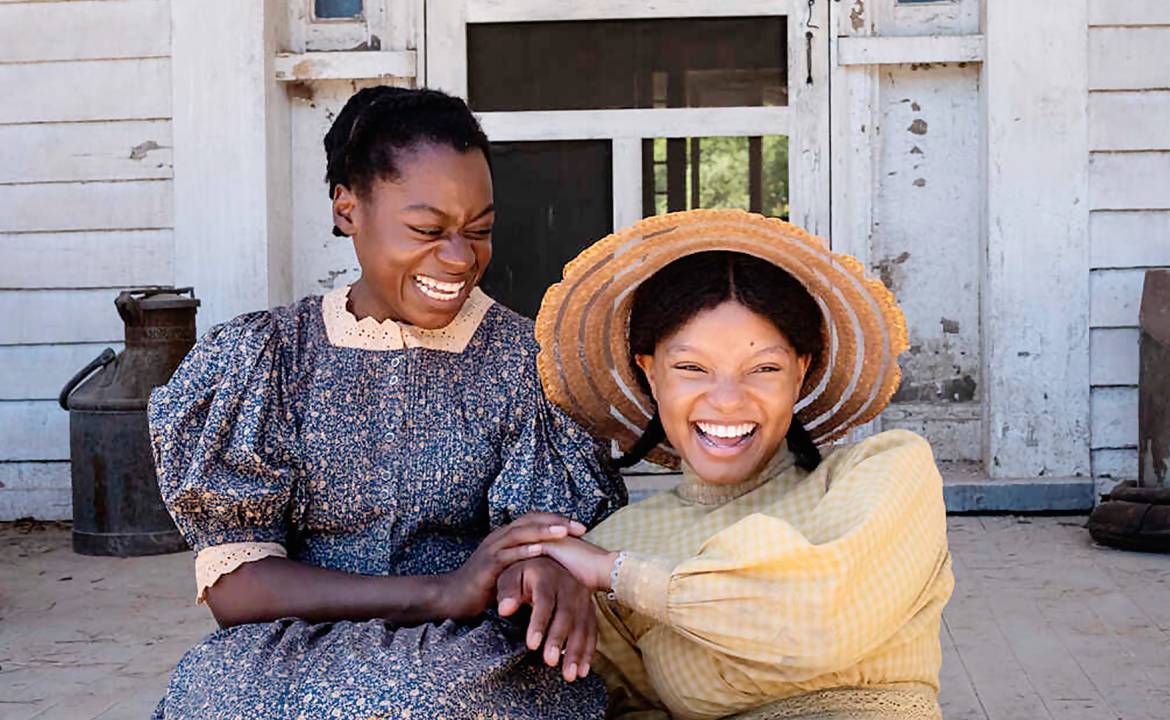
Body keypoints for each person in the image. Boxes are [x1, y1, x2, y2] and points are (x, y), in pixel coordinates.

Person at [147, 86, 627, 719]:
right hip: (292, 638)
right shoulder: (268, 358)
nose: (459, 258)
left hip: (469, 652)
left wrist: (533, 574)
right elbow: (236, 587)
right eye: (427, 229)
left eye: (478, 230)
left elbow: (536, 545)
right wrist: (437, 592)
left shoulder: (524, 362)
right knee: (209, 695)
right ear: (348, 208)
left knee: (417, 701)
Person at [527, 210, 955, 719]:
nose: (727, 400)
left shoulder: (884, 472)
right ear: (650, 373)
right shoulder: (620, 539)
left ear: (802, 371)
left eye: (764, 369)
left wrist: (617, 573)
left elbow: (818, 623)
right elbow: (623, 705)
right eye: (691, 368)